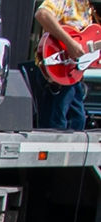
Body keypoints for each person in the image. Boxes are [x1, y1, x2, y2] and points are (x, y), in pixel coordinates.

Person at [34, 0, 99, 130]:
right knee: (56, 125)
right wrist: (69, 43)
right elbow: (42, 14)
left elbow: (86, 44)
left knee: (78, 121)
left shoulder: (89, 7)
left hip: (73, 74)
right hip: (57, 71)